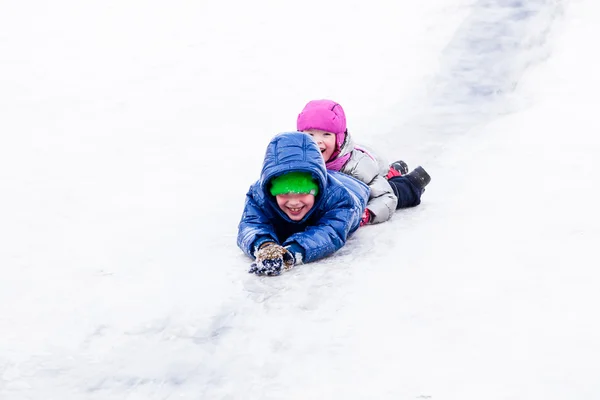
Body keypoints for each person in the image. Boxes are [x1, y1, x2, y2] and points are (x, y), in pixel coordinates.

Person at [237, 131, 370, 276]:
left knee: (385, 189)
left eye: (303, 192)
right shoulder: (259, 195)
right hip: (327, 177)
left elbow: (330, 232)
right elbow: (251, 224)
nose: (294, 202)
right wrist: (264, 245)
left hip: (355, 185)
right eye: (284, 193)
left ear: (317, 188)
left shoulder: (339, 199)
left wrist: (293, 251)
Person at [296, 99, 431, 226]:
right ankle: (395, 169)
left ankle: (413, 181)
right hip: (366, 167)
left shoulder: (356, 166)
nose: (317, 141)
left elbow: (386, 197)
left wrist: (367, 213)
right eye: (310, 135)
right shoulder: (297, 160)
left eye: (326, 134)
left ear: (339, 139)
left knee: (393, 190)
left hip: (374, 166)